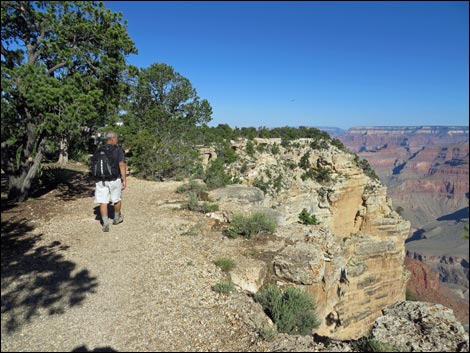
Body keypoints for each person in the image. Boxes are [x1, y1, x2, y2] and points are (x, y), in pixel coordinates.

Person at [93, 130, 127, 232]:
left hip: (100, 180)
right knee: (116, 199)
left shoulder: (99, 150)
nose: (117, 140)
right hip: (114, 179)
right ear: (112, 139)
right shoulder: (118, 150)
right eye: (116, 138)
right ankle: (116, 218)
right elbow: (121, 164)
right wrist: (124, 179)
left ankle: (105, 223)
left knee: (103, 201)